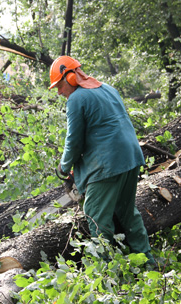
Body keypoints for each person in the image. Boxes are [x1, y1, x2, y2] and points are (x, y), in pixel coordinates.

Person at [49, 55, 155, 267]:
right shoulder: (108, 88)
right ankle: (147, 263)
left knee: (96, 216)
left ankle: (106, 271)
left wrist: (64, 165)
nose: (60, 92)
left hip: (108, 163)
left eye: (60, 86)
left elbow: (74, 140)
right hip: (131, 158)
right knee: (127, 212)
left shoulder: (77, 99)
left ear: (70, 78)